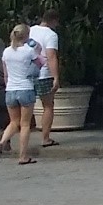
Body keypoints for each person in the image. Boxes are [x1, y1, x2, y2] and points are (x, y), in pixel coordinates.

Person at [0, 24, 42, 165]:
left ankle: (2, 142)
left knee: (13, 122)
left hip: (10, 90)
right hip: (25, 88)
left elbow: (6, 75)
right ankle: (23, 156)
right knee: (25, 124)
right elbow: (39, 57)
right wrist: (34, 44)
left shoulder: (7, 52)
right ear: (27, 36)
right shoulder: (28, 51)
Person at [30, 8, 63, 147]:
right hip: (44, 74)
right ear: (54, 21)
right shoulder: (51, 35)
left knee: (23, 108)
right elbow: (51, 56)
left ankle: (7, 134)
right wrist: (56, 77)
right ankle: (45, 138)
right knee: (48, 106)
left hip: (28, 73)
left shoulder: (30, 30)